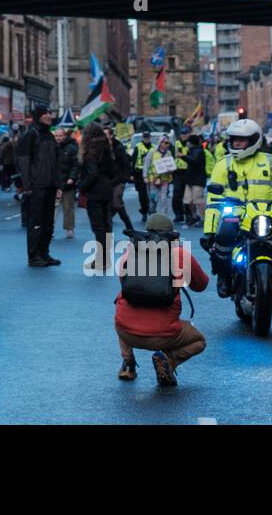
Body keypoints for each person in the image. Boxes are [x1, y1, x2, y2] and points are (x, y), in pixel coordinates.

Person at [201, 118, 272, 330]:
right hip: (235, 217)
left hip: (269, 219)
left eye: (241, 141)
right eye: (234, 140)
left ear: (254, 141)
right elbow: (212, 204)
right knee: (223, 238)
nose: (236, 144)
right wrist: (208, 231)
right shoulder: (223, 165)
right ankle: (225, 277)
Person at [114, 213, 210, 386]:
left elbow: (122, 280)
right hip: (165, 334)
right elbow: (201, 284)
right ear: (172, 233)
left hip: (126, 332)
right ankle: (168, 360)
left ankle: (128, 364)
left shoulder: (132, 251)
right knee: (199, 341)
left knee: (121, 306)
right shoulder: (179, 254)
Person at [15, 105, 61, 267]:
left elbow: (56, 162)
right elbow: (24, 162)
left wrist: (58, 184)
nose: (49, 116)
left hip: (50, 185)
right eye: (45, 114)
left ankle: (44, 253)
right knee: (36, 222)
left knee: (48, 222)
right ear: (38, 116)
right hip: (36, 187)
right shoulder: (30, 135)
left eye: (49, 113)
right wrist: (27, 186)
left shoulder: (49, 136)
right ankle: (34, 256)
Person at [78, 124, 116, 271]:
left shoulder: (91, 150)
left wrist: (82, 186)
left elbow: (92, 173)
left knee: (98, 226)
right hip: (106, 189)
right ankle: (105, 259)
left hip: (95, 190)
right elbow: (112, 170)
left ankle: (101, 260)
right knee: (106, 225)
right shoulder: (106, 148)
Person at [104, 126, 136, 233]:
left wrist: (128, 176)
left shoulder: (119, 147)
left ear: (111, 135)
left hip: (119, 179)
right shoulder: (101, 148)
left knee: (116, 201)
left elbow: (126, 163)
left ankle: (129, 227)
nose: (104, 136)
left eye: (106, 134)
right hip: (107, 180)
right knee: (110, 205)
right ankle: (109, 231)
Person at [145, 135, 175, 217]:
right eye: (166, 143)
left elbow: (171, 164)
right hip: (153, 179)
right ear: (160, 143)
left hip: (164, 179)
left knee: (163, 198)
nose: (167, 144)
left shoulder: (169, 153)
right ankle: (152, 212)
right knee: (154, 198)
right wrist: (145, 176)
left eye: (168, 143)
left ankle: (164, 216)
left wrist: (171, 169)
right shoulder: (152, 152)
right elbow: (146, 165)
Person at [182, 134, 208, 227]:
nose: (187, 143)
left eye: (188, 142)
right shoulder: (191, 151)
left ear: (191, 143)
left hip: (198, 180)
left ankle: (204, 219)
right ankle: (194, 216)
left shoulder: (199, 151)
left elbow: (194, 161)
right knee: (188, 200)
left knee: (198, 200)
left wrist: (183, 156)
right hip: (190, 179)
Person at [131, 130, 153, 222]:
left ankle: (151, 210)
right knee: (142, 194)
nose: (146, 139)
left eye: (148, 137)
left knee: (152, 194)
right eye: (145, 138)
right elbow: (133, 161)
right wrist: (132, 174)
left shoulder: (154, 148)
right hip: (139, 173)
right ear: (143, 138)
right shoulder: (138, 147)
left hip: (150, 173)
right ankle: (144, 211)